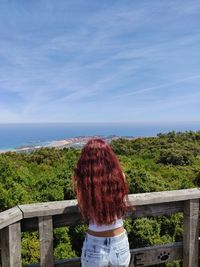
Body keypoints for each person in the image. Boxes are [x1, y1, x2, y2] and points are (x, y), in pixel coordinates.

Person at [73, 138, 131, 267]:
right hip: (119, 241)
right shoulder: (121, 177)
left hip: (95, 243)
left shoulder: (83, 182)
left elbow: (83, 206)